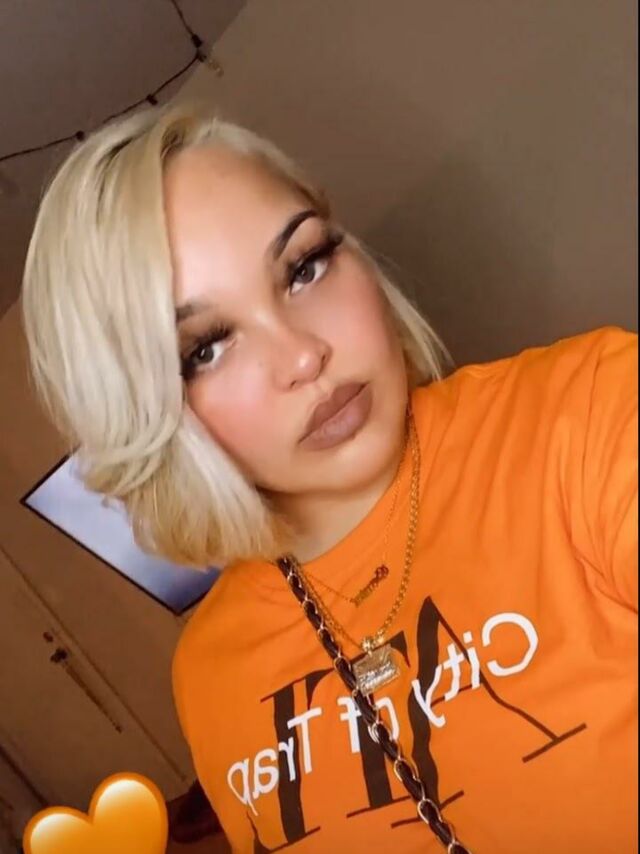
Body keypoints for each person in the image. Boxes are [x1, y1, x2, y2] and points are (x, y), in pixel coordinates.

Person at [22, 101, 637, 853]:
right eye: (206, 348)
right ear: (144, 413)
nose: (303, 354)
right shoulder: (211, 673)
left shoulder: (590, 416)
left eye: (303, 268)